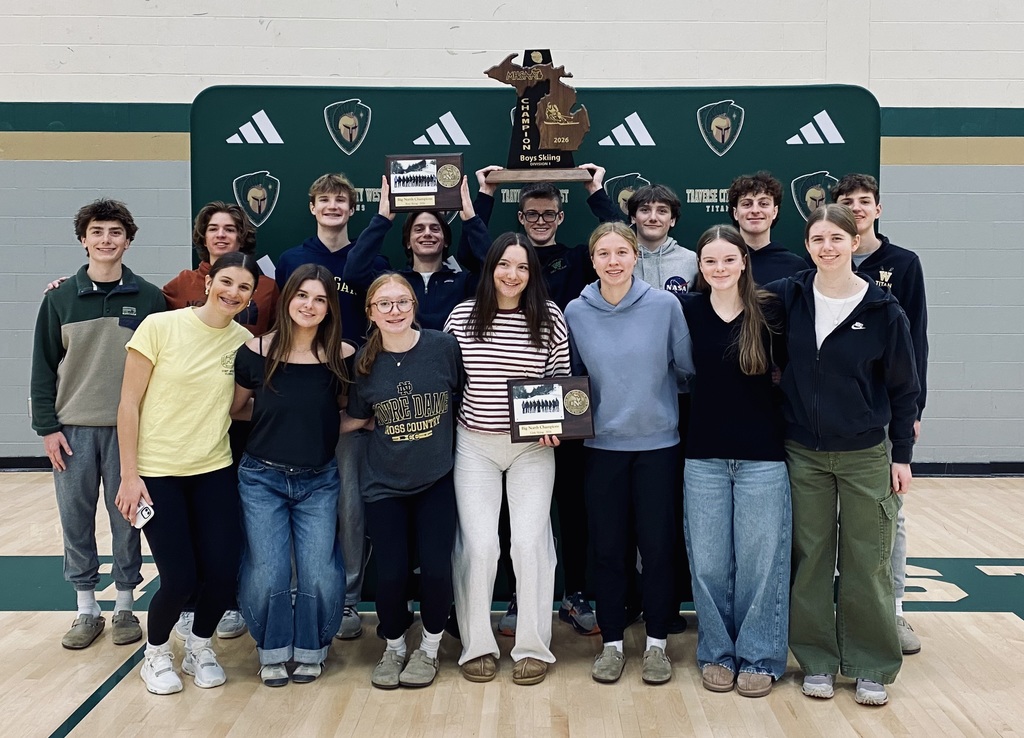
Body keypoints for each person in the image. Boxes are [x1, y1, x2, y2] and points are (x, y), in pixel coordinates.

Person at [459, 165, 620, 637]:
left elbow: (617, 243)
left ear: (560, 215)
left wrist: (597, 191)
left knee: (571, 507)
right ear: (521, 216)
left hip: (566, 406)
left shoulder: (577, 258)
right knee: (505, 521)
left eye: (549, 212)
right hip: (494, 423)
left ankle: (573, 595)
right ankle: (514, 598)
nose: (541, 219)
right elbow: (475, 252)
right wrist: (484, 194)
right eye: (532, 213)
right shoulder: (493, 272)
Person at [767, 204, 919, 707]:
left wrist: (902, 454)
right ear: (807, 246)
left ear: (855, 242)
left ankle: (872, 663)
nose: (827, 248)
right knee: (810, 560)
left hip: (864, 454)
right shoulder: (790, 295)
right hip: (802, 452)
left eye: (837, 238)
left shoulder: (882, 309)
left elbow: (903, 389)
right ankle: (816, 660)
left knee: (867, 560)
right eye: (817, 240)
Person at [114, 252, 260, 695]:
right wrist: (128, 475)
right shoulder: (161, 326)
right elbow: (128, 404)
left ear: (252, 297)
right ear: (209, 280)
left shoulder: (243, 342)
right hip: (156, 473)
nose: (233, 293)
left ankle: (200, 645)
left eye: (244, 288)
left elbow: (238, 408)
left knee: (220, 573)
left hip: (213, 469)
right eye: (227, 282)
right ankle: (156, 653)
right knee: (179, 578)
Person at [30, 199, 166, 650]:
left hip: (130, 431)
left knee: (128, 519)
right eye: (97, 232)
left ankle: (125, 605)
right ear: (83, 239)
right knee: (76, 519)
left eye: (115, 232)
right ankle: (86, 609)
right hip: (72, 431)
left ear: (128, 240)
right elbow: (43, 369)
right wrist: (48, 428)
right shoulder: (59, 298)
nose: (106, 240)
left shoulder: (149, 298)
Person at [564, 222, 694, 686]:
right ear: (593, 259)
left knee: (659, 549)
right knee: (609, 550)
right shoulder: (575, 312)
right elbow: (571, 380)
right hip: (603, 451)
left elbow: (685, 370)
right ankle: (613, 645)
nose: (613, 260)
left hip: (660, 447)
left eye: (622, 251)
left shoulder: (665, 305)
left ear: (635, 256)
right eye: (604, 253)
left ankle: (657, 643)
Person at [444, 233, 571, 685]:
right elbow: (449, 380)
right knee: (480, 546)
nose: (512, 274)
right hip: (474, 444)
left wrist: (557, 424)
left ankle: (533, 647)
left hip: (531, 450)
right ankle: (476, 645)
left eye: (522, 267)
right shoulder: (462, 316)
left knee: (529, 545)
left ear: (532, 273)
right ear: (490, 268)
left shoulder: (551, 317)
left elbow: (559, 381)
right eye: (504, 265)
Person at [276, 173, 389, 641]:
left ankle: (345, 601)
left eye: (341, 200)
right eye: (324, 200)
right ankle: (304, 597)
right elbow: (282, 325)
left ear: (353, 207)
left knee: (350, 507)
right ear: (312, 207)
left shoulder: (372, 259)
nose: (333, 207)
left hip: (356, 393)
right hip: (306, 398)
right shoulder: (292, 260)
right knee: (301, 503)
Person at [231, 264, 355, 687]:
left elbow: (338, 411)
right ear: (287, 300)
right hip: (261, 478)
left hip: (318, 479)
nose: (310, 305)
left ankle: (311, 648)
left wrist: (364, 423)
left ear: (329, 308)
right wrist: (274, 419)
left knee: (319, 571)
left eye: (320, 298)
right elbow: (237, 408)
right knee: (268, 570)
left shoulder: (343, 355)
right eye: (303, 295)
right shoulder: (253, 351)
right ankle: (271, 649)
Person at [680, 225, 790, 698]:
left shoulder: (771, 310)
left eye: (728, 260)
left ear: (744, 261)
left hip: (762, 456)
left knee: (760, 564)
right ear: (699, 268)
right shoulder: (685, 311)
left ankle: (761, 656)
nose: (719, 268)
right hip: (702, 455)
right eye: (710, 262)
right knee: (707, 564)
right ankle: (717, 654)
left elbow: (791, 374)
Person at [345, 274, 463, 690]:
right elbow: (359, 417)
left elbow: (464, 398)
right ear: (371, 312)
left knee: (434, 569)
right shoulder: (363, 362)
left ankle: (429, 647)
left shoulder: (443, 347)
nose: (394, 311)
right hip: (384, 484)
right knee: (391, 573)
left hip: (436, 479)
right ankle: (394, 644)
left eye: (402, 302)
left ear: (414, 306)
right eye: (384, 304)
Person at [832, 173, 929, 656]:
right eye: (846, 202)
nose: (856, 208)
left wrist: (912, 409)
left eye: (863, 202)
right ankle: (839, 610)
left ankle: (893, 610)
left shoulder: (902, 264)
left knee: (888, 513)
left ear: (877, 209)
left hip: (885, 413)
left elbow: (916, 344)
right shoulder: (821, 263)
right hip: (833, 417)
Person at [344, 176, 488, 330]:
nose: (427, 233)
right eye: (418, 229)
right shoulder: (393, 283)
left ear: (445, 240)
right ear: (408, 242)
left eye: (435, 228)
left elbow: (493, 269)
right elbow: (354, 273)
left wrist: (472, 220)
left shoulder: (464, 282)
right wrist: (381, 220)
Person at [163, 201, 279, 335]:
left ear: (241, 238)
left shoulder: (267, 287)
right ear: (204, 238)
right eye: (213, 229)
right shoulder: (183, 282)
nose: (220, 235)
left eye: (229, 229)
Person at [727, 172, 807, 284]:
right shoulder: (720, 263)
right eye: (746, 204)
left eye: (763, 204)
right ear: (735, 213)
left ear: (774, 211)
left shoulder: (796, 267)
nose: (755, 210)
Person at [626, 184, 696, 294]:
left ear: (672, 220)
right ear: (633, 218)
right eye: (645, 210)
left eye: (662, 211)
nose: (653, 218)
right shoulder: (619, 259)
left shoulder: (692, 261)